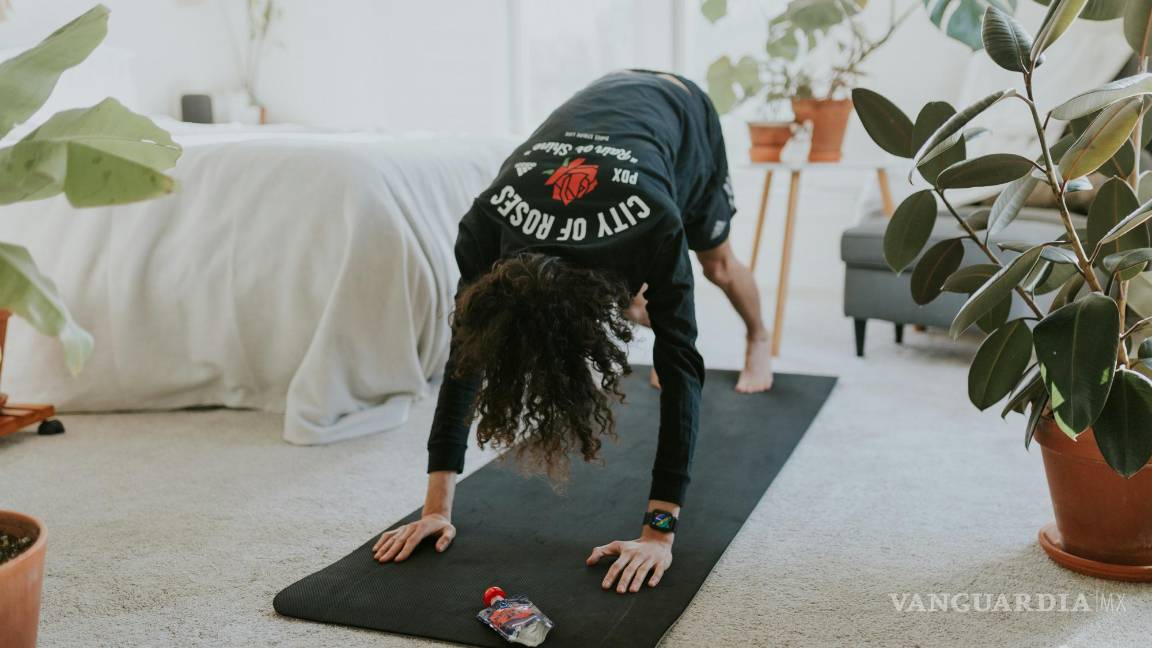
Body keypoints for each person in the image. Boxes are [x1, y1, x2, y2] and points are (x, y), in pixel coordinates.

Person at [372, 70, 772, 595]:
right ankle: (639, 302)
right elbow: (465, 358)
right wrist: (435, 509)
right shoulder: (487, 221)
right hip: (605, 112)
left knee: (717, 265)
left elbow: (682, 366)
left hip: (680, 110)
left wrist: (659, 534)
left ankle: (759, 336)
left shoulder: (656, 223)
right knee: (637, 296)